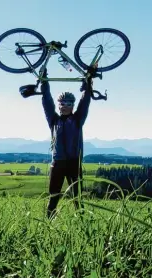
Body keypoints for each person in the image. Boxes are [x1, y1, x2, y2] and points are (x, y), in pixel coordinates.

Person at [40, 71, 93, 219]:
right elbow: (47, 102)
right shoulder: (54, 120)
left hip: (74, 162)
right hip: (57, 162)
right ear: (59, 105)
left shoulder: (77, 119)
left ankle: (81, 222)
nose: (65, 106)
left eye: (69, 104)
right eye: (62, 104)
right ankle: (49, 221)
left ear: (73, 106)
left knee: (77, 196)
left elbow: (85, 102)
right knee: (54, 195)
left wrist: (88, 84)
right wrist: (44, 82)